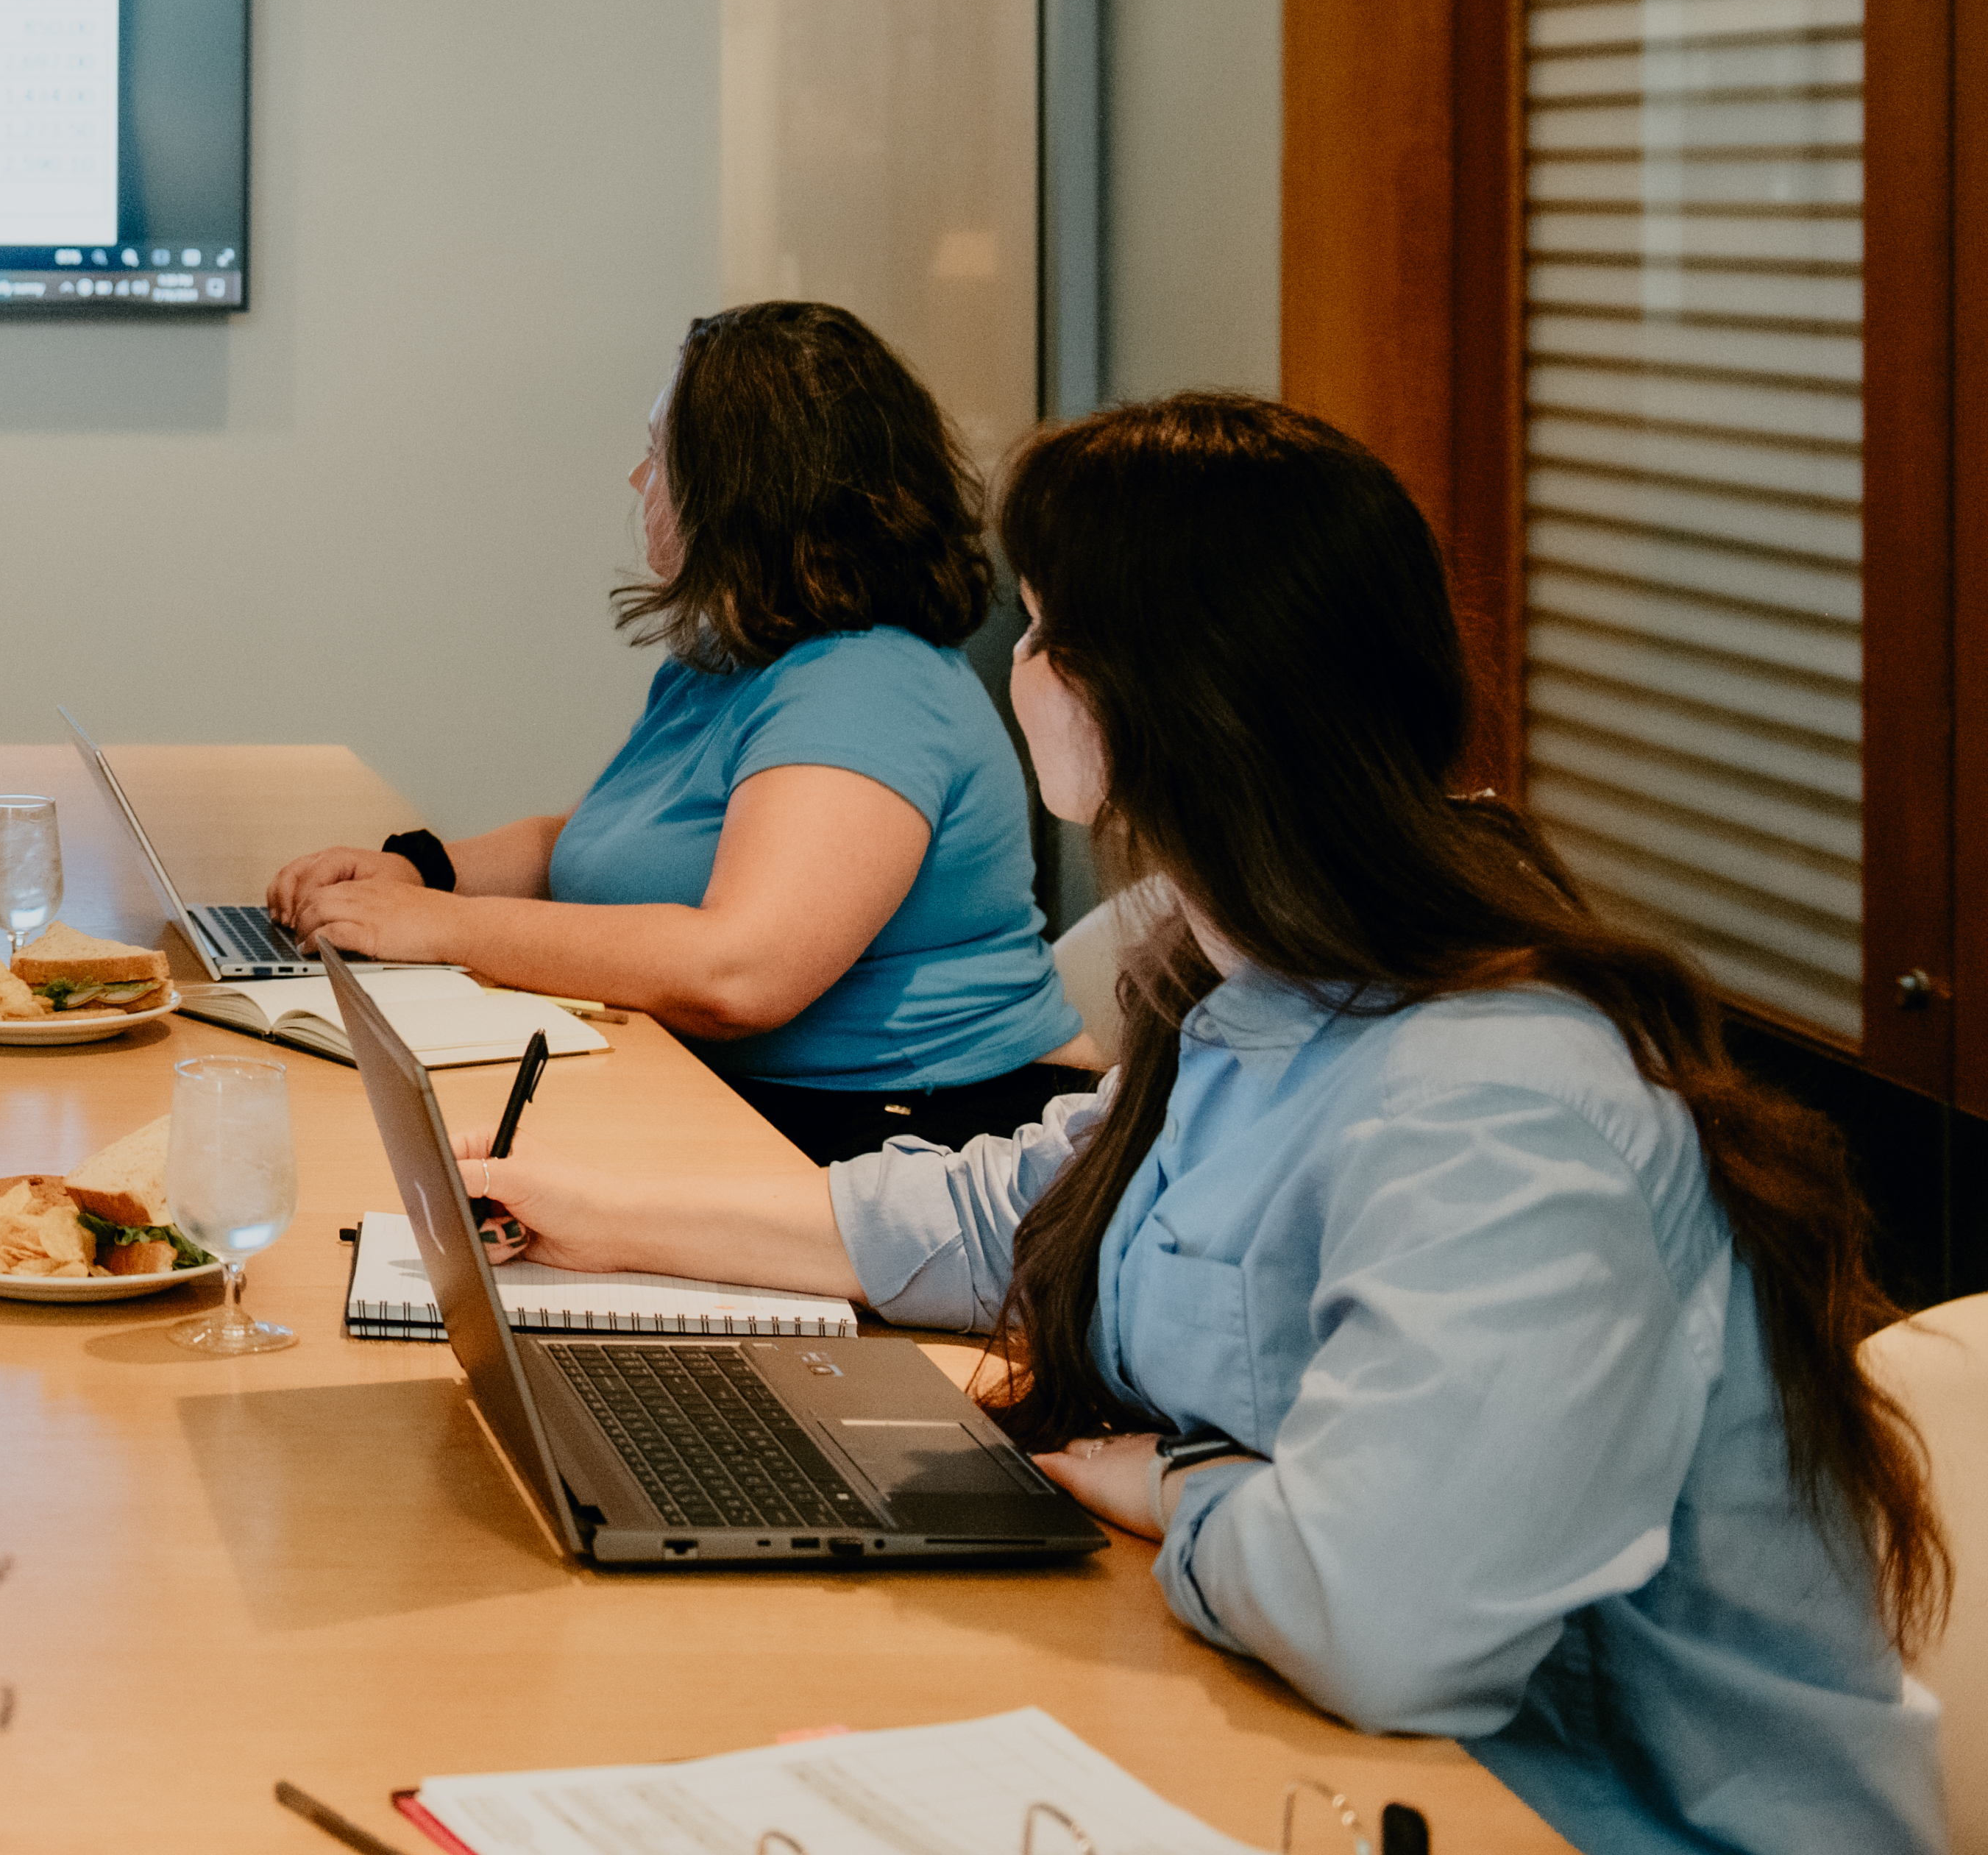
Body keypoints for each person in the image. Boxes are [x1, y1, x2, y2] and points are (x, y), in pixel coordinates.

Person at [458, 394, 1945, 1854]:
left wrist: (1179, 1486)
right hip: (1335, 1764)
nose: (1016, 669)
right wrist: (595, 1213)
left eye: (1038, 632)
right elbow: (1011, 1213)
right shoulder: (1258, 984)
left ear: (1151, 693)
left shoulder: (1501, 1100)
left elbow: (1384, 1626)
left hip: (1554, 1811)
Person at [266, 301, 1088, 1158]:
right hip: (766, 1105)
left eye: (660, 456)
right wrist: (416, 869)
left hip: (907, 1138)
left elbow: (739, 974)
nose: (636, 480)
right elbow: (601, 844)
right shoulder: (738, 656)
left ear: (742, 491)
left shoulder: (868, 683)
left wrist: (433, 925)